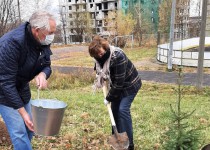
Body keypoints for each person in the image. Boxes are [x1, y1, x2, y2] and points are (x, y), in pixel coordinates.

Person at [0, 10, 56, 150]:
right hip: (3, 92)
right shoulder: (11, 44)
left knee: (31, 127)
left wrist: (43, 74)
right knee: (19, 131)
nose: (52, 37)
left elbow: (47, 66)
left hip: (22, 88)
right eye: (50, 33)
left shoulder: (42, 41)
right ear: (37, 30)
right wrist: (23, 113)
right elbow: (6, 83)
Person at [89, 36, 142, 150]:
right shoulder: (98, 58)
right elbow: (99, 69)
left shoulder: (117, 56)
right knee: (114, 112)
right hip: (117, 86)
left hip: (130, 85)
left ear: (105, 48)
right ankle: (118, 139)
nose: (99, 56)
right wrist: (101, 77)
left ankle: (129, 144)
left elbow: (119, 84)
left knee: (122, 110)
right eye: (96, 55)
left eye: (101, 54)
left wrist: (108, 98)